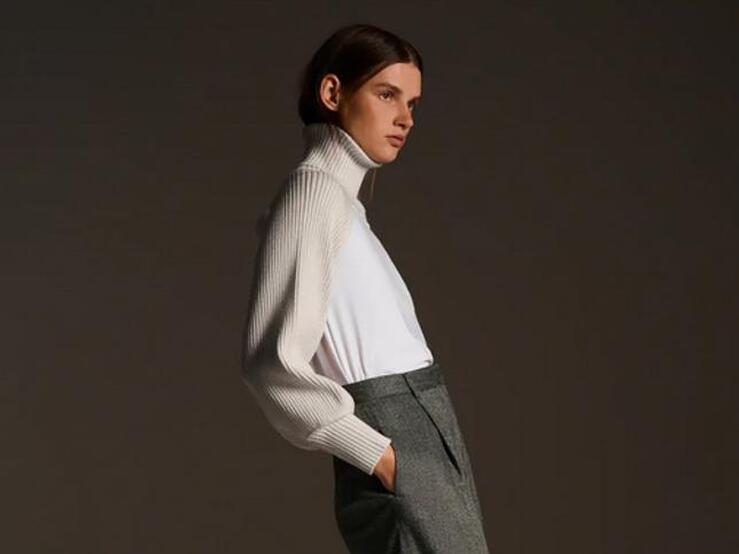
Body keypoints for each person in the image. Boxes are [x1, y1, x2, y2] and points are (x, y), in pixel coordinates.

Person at [241, 23, 490, 553]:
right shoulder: (314, 194)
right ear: (333, 93)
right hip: (396, 434)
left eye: (412, 103)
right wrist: (382, 456)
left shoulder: (343, 205)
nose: (405, 118)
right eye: (386, 94)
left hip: (423, 429)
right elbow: (270, 364)